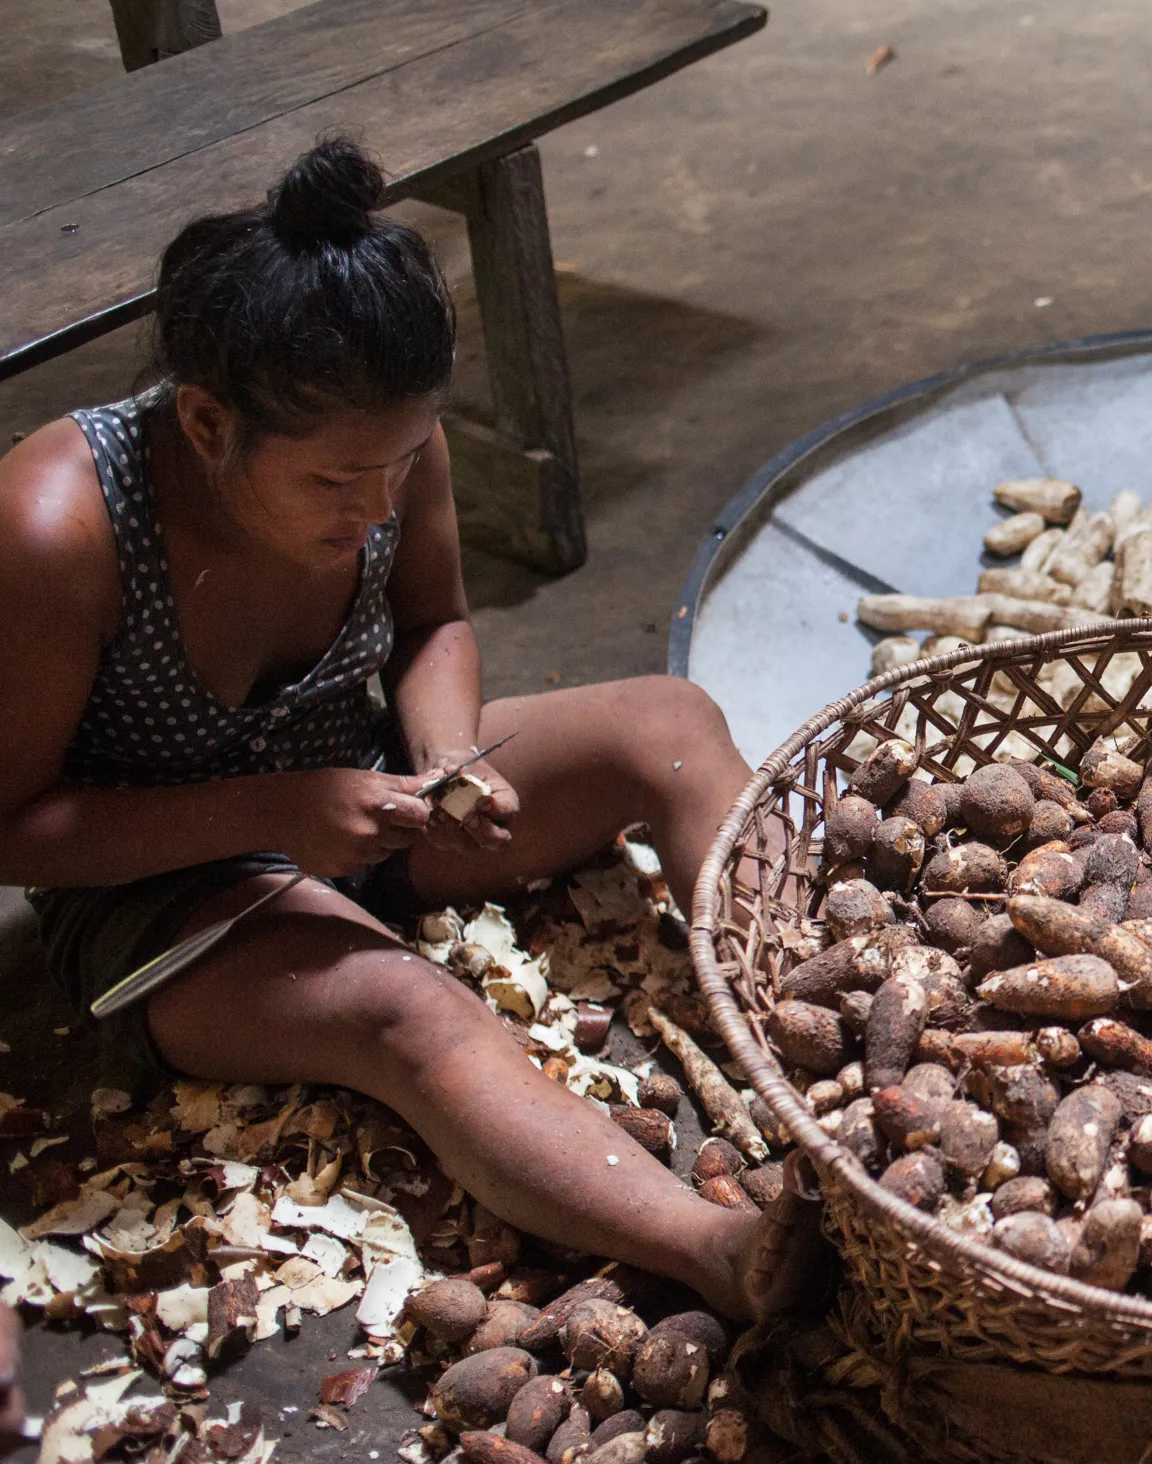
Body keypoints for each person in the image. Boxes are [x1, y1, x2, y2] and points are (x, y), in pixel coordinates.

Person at [0, 138, 812, 1324]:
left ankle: (837, 1049)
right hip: (160, 890)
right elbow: (14, 835)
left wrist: (443, 753)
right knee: (415, 1011)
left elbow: (436, 622)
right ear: (206, 419)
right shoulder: (55, 524)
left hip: (361, 785)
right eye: (336, 482)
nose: (374, 504)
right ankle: (719, 1250)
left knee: (668, 723)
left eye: (396, 465)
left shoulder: (385, 442)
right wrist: (273, 815)